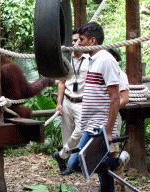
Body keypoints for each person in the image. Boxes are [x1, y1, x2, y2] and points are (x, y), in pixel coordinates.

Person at [67, 22, 130, 192]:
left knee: (74, 163)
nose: (78, 42)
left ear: (92, 41)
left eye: (81, 39)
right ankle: (108, 185)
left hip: (99, 126)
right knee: (103, 171)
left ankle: (116, 162)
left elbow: (116, 98)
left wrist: (108, 131)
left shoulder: (106, 60)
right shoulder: (92, 59)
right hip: (90, 124)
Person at [54, 28, 89, 175]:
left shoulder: (90, 59)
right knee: (67, 135)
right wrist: (59, 104)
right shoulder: (65, 59)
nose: (75, 43)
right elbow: (61, 83)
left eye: (78, 40)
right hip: (67, 100)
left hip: (82, 102)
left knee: (80, 132)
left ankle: (61, 155)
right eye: (73, 41)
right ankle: (69, 165)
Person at [108, 48, 129, 192]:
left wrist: (111, 110)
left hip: (113, 117)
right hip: (102, 117)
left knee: (113, 153)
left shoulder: (120, 75)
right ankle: (108, 186)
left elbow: (125, 99)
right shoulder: (104, 73)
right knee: (104, 153)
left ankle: (122, 186)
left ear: (114, 58)